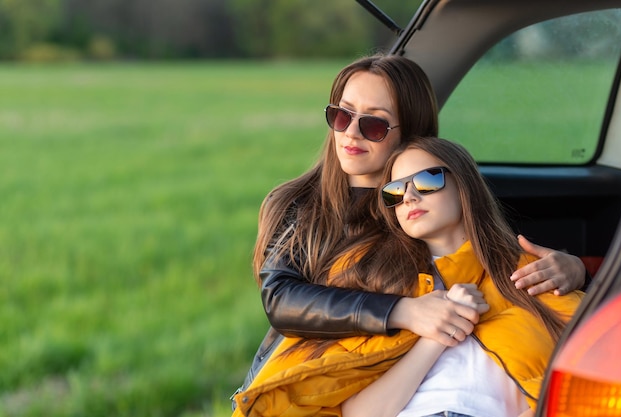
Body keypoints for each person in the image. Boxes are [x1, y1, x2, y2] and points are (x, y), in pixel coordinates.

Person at [233, 54, 587, 405]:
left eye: (374, 124)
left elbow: (480, 257)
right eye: (341, 115)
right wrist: (403, 311)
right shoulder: (299, 203)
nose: (351, 132)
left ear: (412, 133)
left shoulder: (425, 212)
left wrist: (576, 269)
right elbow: (280, 298)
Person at [339, 137, 584, 417]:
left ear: (464, 185)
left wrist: (580, 270)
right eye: (395, 191)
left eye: (426, 181)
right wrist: (438, 333)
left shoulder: (528, 274)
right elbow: (360, 413)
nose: (408, 197)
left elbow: (590, 375)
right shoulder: (382, 290)